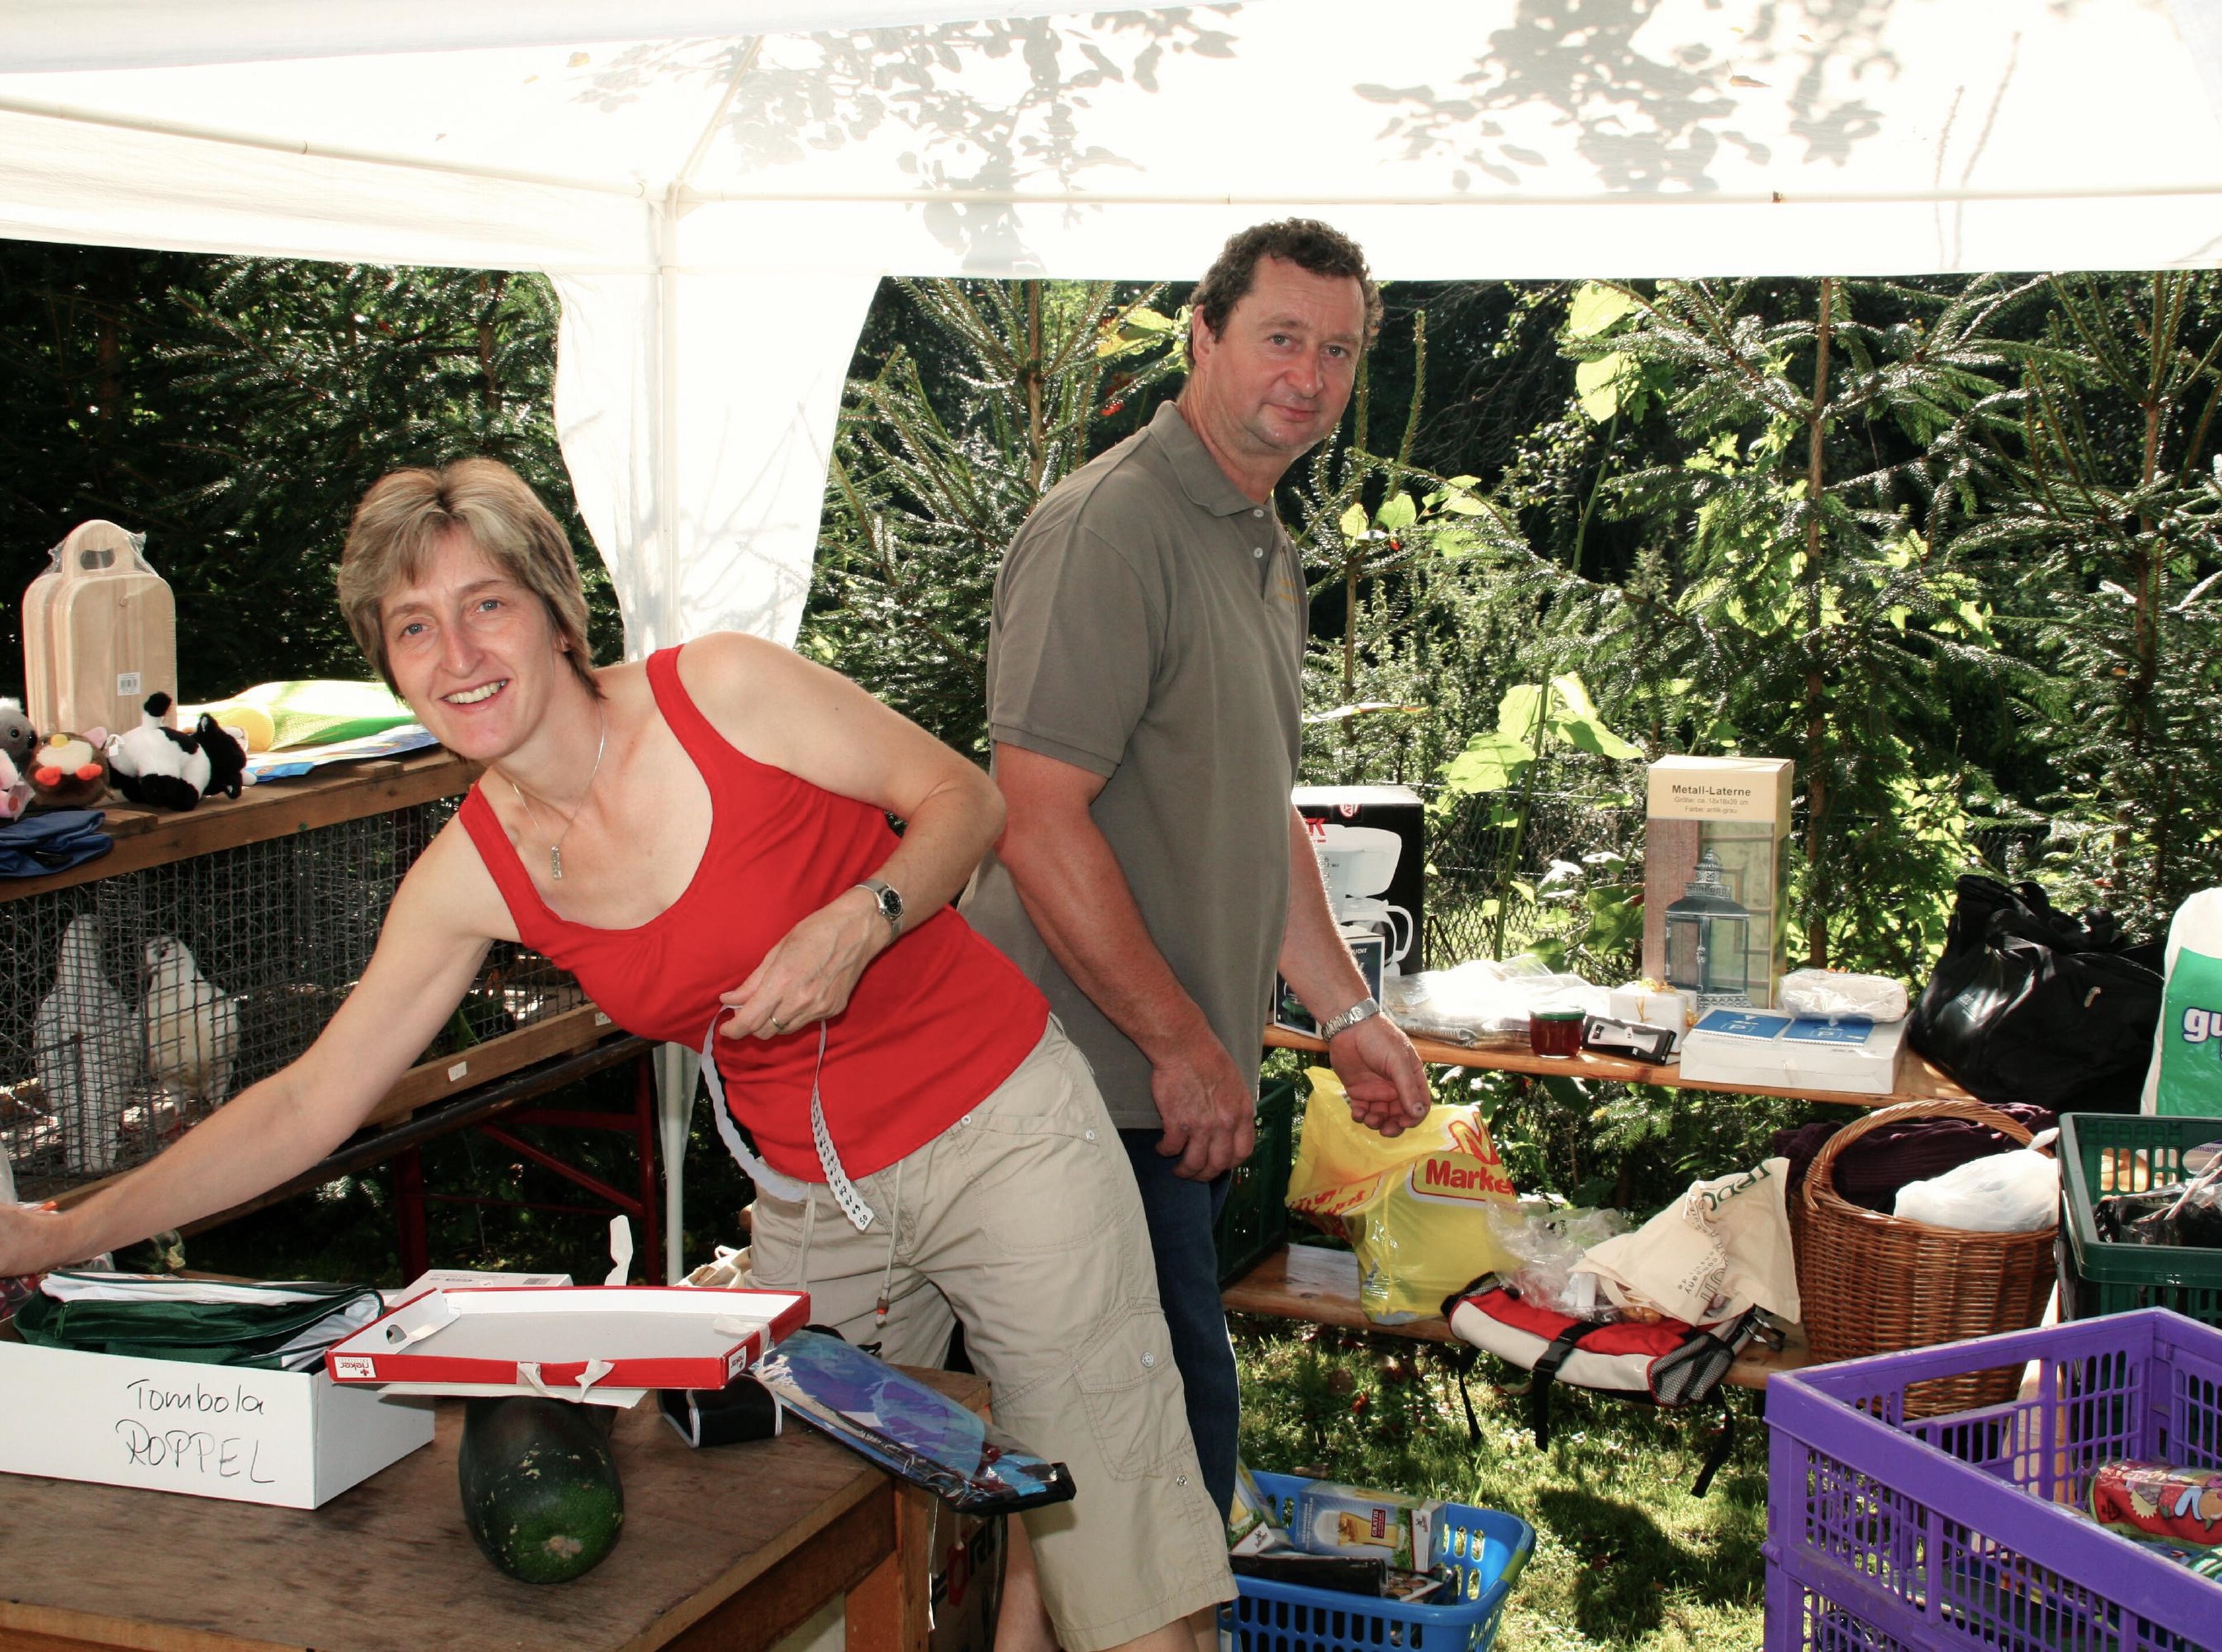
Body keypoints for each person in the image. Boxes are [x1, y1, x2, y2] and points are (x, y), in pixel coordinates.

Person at [0, 459, 1230, 1652]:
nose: (459, 653)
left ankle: (1067, 1597)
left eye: (486, 605)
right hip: (814, 1194)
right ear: (390, 667)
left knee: (1116, 1560)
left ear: (555, 613)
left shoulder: (722, 692)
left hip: (1002, 1129)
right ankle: (1020, 1599)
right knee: (796, 1529)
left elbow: (965, 798)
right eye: (414, 628)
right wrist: (59, 1232)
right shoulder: (475, 872)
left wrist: (863, 919)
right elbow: (308, 1103)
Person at [962, 219, 1434, 1547]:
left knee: (1116, 1474)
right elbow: (1032, 819)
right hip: (1076, 1095)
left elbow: (1254, 804)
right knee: (1146, 1471)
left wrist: (1347, 1012)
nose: (1310, 376)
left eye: (1337, 350)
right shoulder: (1110, 529)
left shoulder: (1257, 536)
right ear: (1204, 335)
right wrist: (1179, 1046)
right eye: (1281, 337)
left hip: (1172, 1098)